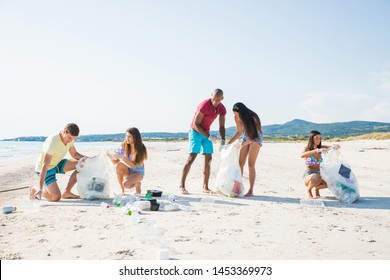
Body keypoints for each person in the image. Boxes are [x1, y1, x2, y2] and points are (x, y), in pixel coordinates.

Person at [179, 88, 226, 194]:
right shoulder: (204, 105)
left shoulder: (222, 109)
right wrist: (208, 136)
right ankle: (181, 186)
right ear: (211, 96)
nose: (215, 102)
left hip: (206, 133)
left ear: (222, 99)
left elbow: (222, 126)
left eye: (218, 100)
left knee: (208, 159)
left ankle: (205, 187)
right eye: (213, 99)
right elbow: (196, 124)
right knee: (191, 157)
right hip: (195, 132)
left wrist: (223, 140)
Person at [31, 123, 85, 201]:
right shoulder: (53, 141)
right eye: (70, 137)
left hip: (56, 163)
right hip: (46, 169)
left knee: (83, 164)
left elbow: (74, 154)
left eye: (73, 139)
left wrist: (89, 158)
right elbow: (45, 165)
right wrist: (40, 188)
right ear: (64, 131)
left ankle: (67, 192)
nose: (71, 140)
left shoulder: (70, 139)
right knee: (55, 197)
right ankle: (34, 189)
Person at [227, 102, 262, 197]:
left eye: (236, 113)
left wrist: (242, 144)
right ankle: (237, 187)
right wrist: (228, 144)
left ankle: (251, 190)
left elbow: (254, 137)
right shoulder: (236, 117)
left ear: (241, 112)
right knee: (240, 164)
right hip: (246, 137)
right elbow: (239, 132)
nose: (235, 115)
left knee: (251, 165)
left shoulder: (253, 117)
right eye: (234, 113)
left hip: (255, 138)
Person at [108, 127, 147, 196]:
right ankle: (122, 191)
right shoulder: (124, 146)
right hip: (128, 171)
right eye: (126, 136)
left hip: (138, 173)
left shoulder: (140, 148)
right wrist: (110, 156)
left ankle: (137, 183)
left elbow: (132, 165)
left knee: (126, 184)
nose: (127, 138)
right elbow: (116, 164)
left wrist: (121, 156)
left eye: (129, 137)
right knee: (118, 165)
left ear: (135, 137)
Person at [301, 130, 336, 198]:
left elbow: (332, 147)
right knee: (317, 176)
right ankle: (309, 190)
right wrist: (316, 150)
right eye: (316, 138)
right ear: (311, 139)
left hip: (319, 174)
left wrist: (335, 146)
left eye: (320, 138)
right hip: (309, 176)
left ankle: (317, 189)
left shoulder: (321, 147)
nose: (318, 140)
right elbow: (302, 155)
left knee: (331, 183)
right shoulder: (307, 148)